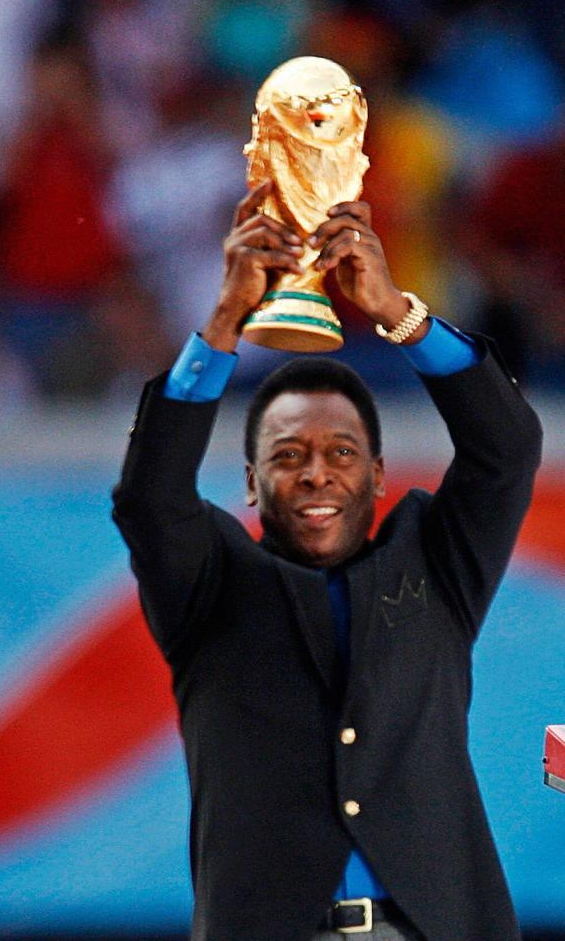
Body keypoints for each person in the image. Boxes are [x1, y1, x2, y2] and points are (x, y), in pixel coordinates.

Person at [112, 181, 541, 941]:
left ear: (378, 475)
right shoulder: (208, 589)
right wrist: (224, 320)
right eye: (289, 455)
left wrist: (397, 314)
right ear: (250, 482)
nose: (317, 473)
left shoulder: (439, 567)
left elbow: (505, 451)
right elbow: (151, 498)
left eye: (342, 453)